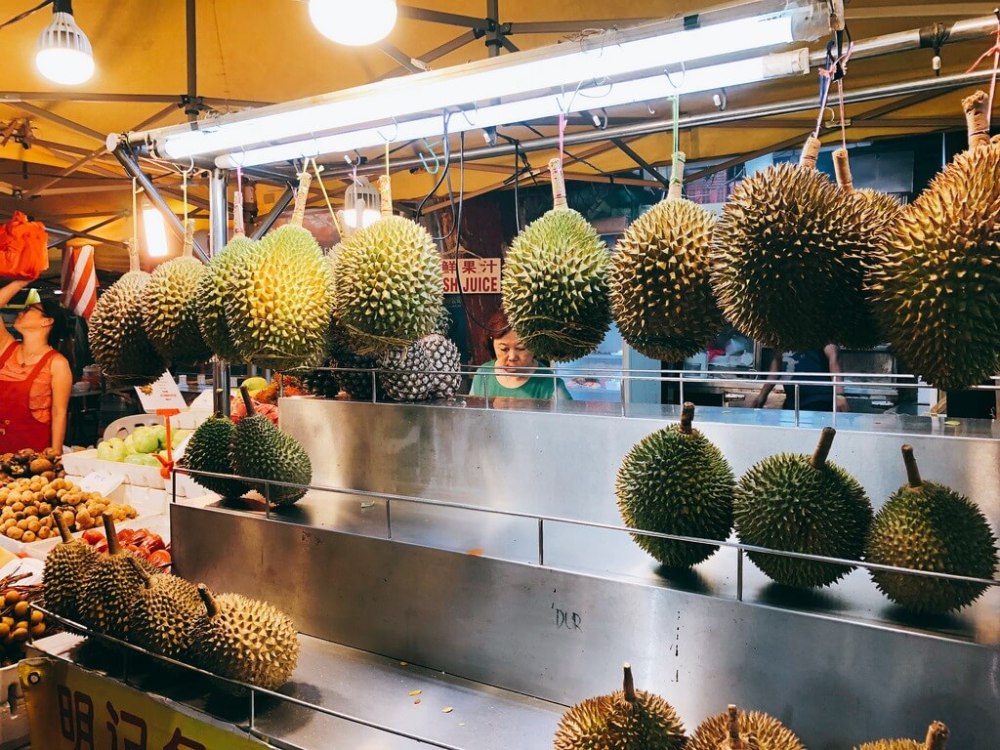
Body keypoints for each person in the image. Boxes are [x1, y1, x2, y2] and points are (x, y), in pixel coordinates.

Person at [0, 279, 72, 452]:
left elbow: (58, 414)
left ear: (47, 322)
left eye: (29, 309)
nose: (21, 312)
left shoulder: (57, 364)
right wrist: (19, 282)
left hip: (33, 455)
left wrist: (54, 456)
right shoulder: (6, 347)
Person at [469, 310, 572, 401]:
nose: (512, 357)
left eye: (521, 348)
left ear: (535, 346)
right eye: (504, 349)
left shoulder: (552, 385)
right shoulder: (483, 375)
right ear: (492, 344)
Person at [748, 344, 849, 413]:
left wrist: (839, 395)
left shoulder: (819, 332)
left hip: (818, 400)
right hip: (792, 400)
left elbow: (834, 358)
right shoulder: (781, 335)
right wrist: (763, 395)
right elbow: (776, 363)